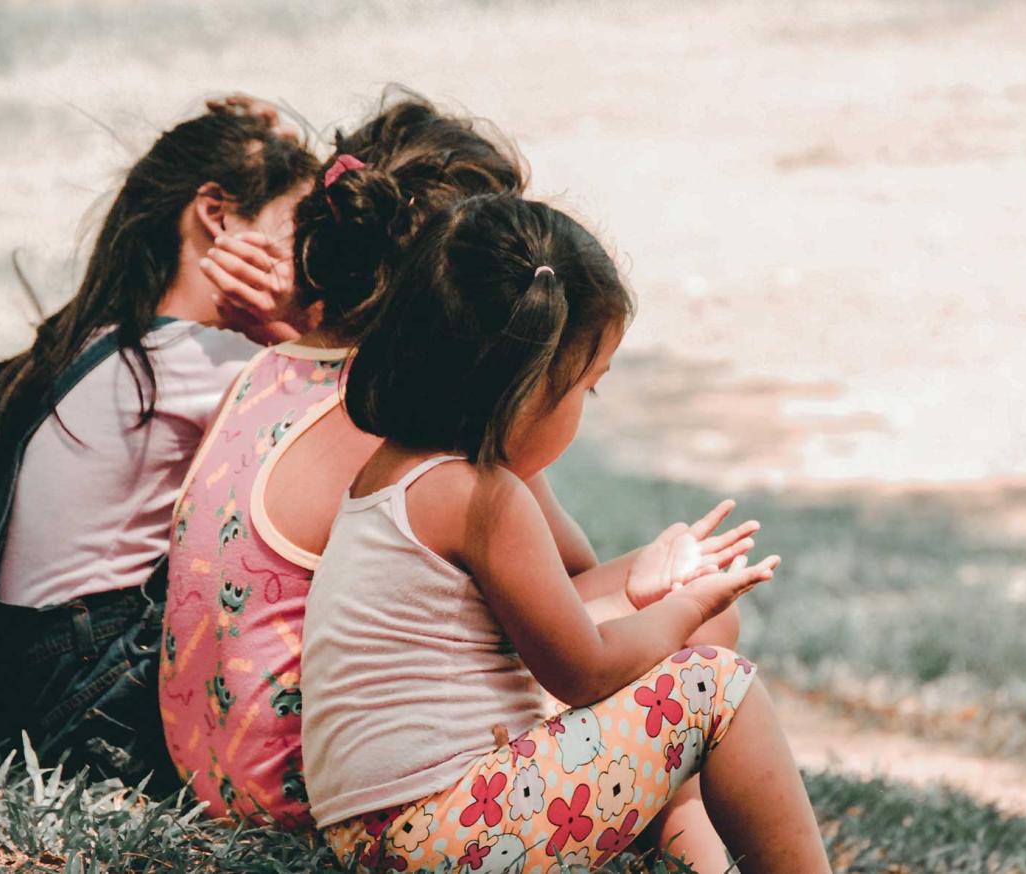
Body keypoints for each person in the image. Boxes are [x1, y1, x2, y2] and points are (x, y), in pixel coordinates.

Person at [178, 92, 752, 862]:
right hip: (321, 792)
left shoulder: (275, 370)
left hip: (228, 766)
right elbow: (568, 630)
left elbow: (553, 584)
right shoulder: (422, 427)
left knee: (671, 638)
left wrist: (654, 581)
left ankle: (696, 853)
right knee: (701, 644)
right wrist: (681, 607)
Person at [302, 193, 832, 873]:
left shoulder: (403, 472)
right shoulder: (481, 497)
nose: (585, 406)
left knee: (687, 656)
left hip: (383, 834)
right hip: (443, 833)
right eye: (588, 387)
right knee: (714, 686)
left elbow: (559, 603)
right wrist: (684, 607)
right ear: (523, 387)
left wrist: (646, 577)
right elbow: (584, 669)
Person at [158, 92, 525, 827]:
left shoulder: (260, 371)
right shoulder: (397, 421)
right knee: (687, 644)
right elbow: (558, 597)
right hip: (316, 789)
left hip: (213, 772)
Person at [0, 97, 318, 793]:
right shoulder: (201, 361)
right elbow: (361, 430)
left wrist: (265, 144)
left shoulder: (98, 340)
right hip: (95, 716)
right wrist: (288, 329)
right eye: (295, 229)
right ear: (217, 214)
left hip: (28, 703)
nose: (304, 261)